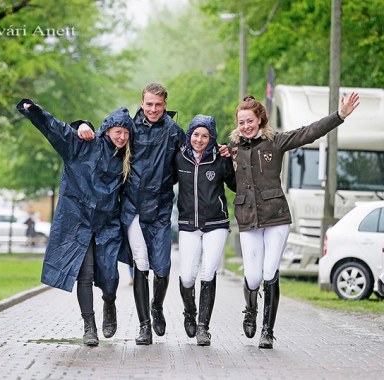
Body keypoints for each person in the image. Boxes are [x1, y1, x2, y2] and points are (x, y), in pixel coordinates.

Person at [228, 92, 360, 349]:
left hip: (276, 217)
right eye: (241, 122)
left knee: (269, 273)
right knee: (253, 277)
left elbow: (309, 132)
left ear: (260, 120)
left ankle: (267, 330)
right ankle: (250, 308)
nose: (245, 126)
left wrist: (340, 115)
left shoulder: (275, 142)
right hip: (248, 218)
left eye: (249, 121)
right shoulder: (232, 149)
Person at [16, 99, 133, 346]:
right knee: (86, 275)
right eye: (117, 132)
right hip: (78, 222)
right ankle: (89, 326)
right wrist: (34, 110)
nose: (122, 137)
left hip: (107, 226)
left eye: (125, 133)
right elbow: (56, 129)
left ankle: (109, 302)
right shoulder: (83, 146)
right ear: (107, 130)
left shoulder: (129, 159)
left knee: (110, 278)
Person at [78, 83, 185, 345]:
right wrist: (81, 124)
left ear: (165, 104)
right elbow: (105, 132)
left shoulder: (174, 132)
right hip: (133, 207)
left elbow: (195, 153)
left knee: (162, 268)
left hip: (160, 209)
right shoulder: (131, 127)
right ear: (142, 102)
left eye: (158, 105)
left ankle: (157, 306)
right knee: (141, 263)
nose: (153, 109)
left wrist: (222, 151)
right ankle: (144, 325)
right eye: (149, 104)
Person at [174, 114, 236, 346]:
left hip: (216, 224)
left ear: (211, 139)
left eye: (205, 136)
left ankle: (203, 327)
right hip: (188, 224)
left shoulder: (219, 159)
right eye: (196, 135)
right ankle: (189, 312)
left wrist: (231, 158)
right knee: (187, 277)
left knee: (208, 272)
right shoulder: (179, 158)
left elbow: (236, 185)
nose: (199, 140)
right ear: (190, 135)